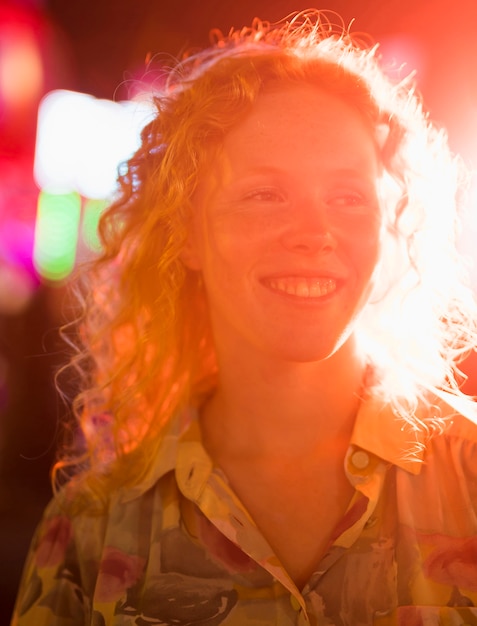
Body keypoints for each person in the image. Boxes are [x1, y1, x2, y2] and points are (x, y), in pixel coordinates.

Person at [11, 9, 477, 626]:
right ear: (186, 236)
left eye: (348, 197)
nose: (316, 234)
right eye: (265, 194)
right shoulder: (91, 529)